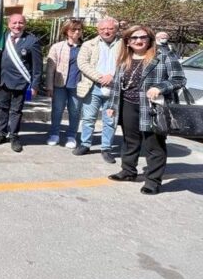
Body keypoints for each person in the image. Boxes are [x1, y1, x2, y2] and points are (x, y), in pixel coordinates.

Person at [105, 25, 186, 195]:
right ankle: (128, 172)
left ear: (149, 39)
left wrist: (160, 87)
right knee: (129, 141)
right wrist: (112, 106)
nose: (138, 41)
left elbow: (179, 79)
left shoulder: (163, 55)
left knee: (154, 144)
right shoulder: (125, 57)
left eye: (143, 37)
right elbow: (117, 85)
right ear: (127, 41)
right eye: (133, 38)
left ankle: (153, 181)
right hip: (127, 105)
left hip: (152, 107)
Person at [0, 14, 42, 152]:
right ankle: (0, 133)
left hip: (21, 83)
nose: (17, 26)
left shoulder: (32, 41)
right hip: (3, 81)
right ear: (9, 24)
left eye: (20, 23)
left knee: (16, 111)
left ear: (25, 24)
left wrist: (35, 86)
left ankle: (14, 136)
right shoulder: (3, 37)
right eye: (14, 23)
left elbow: (37, 67)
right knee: (1, 108)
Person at [74, 17, 122, 162]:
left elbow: (128, 63)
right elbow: (82, 63)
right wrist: (100, 78)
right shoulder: (89, 44)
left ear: (116, 29)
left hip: (114, 88)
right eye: (102, 29)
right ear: (98, 30)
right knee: (88, 118)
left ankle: (106, 148)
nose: (106, 31)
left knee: (110, 120)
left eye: (110, 29)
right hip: (93, 86)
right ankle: (85, 144)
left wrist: (112, 77)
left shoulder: (124, 45)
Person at [46, 19, 84, 149]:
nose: (77, 32)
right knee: (57, 110)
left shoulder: (85, 47)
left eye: (79, 29)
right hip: (59, 85)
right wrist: (49, 86)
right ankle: (54, 134)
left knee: (75, 111)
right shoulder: (57, 47)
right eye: (74, 29)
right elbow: (50, 69)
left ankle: (71, 136)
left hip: (77, 85)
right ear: (67, 31)